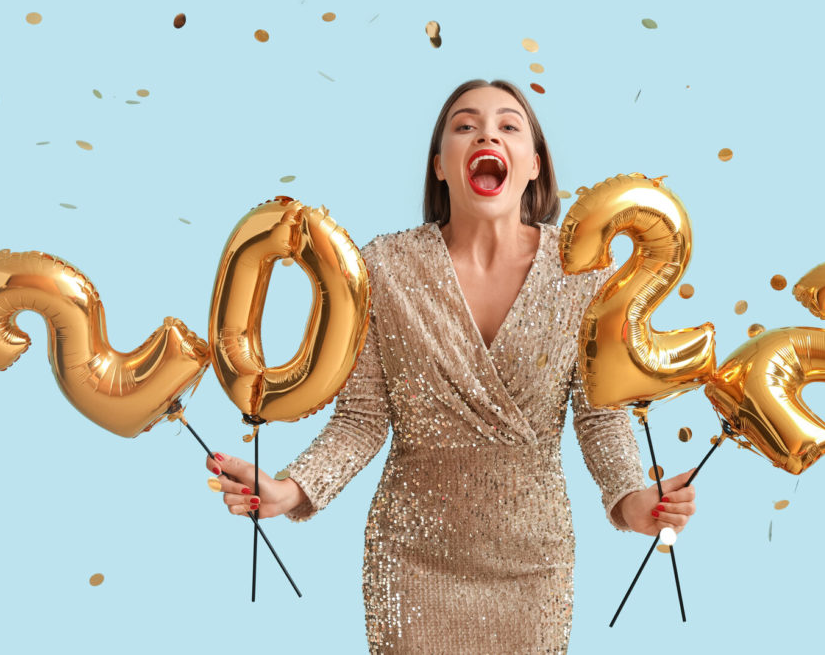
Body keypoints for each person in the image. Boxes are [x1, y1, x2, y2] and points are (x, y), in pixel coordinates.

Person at [206, 79, 697, 653]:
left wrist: (633, 499)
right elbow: (362, 418)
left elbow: (600, 416)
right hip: (411, 563)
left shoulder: (582, 274)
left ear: (534, 165)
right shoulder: (383, 267)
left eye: (508, 125)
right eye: (465, 125)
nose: (487, 132)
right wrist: (291, 489)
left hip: (533, 566)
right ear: (440, 165)